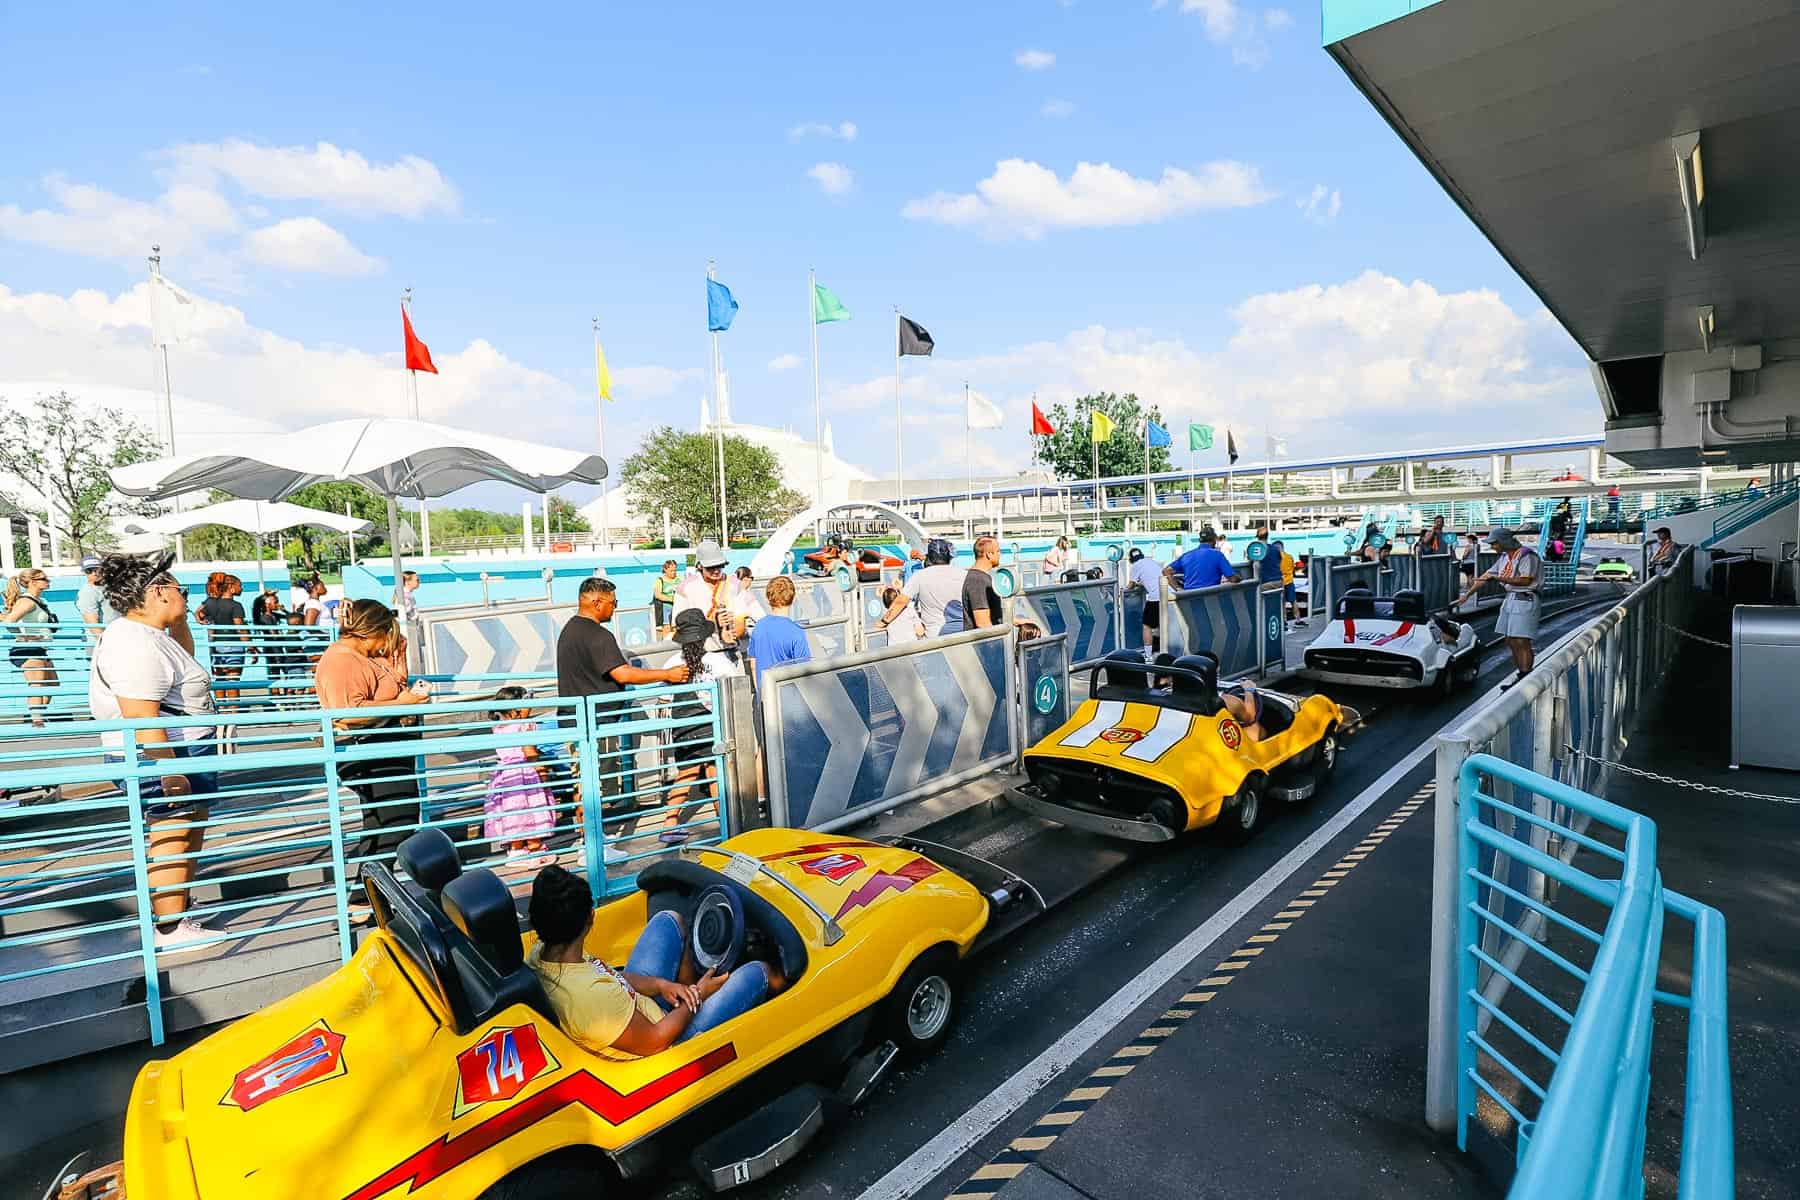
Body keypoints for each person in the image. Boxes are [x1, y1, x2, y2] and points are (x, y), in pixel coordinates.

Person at [87, 553, 216, 951]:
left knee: (187, 829)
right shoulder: (133, 642)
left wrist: (180, 620)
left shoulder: (152, 635)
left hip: (181, 751)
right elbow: (141, 715)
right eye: (182, 591)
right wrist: (169, 768)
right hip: (161, 757)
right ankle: (169, 927)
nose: (186, 598)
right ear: (159, 591)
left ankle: (177, 909)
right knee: (172, 832)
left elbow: (186, 660)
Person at [527, 864, 782, 1059]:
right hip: (668, 1046)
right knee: (760, 971)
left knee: (670, 919)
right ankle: (786, 991)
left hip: (635, 1010)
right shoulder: (590, 999)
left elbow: (608, 976)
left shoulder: (542, 953)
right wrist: (699, 995)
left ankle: (690, 993)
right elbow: (656, 1041)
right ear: (589, 921)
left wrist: (662, 985)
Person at [313, 600, 432, 913]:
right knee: (398, 822)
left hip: (381, 747)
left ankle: (365, 898)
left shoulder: (363, 656)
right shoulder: (342, 660)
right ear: (373, 630)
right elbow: (348, 713)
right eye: (386, 635)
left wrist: (399, 654)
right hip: (368, 751)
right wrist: (403, 705)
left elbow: (397, 687)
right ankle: (367, 896)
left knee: (381, 824)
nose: (387, 642)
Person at [556, 578, 689, 808]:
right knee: (594, 785)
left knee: (584, 783)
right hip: (595, 722)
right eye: (613, 602)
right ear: (597, 602)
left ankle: (588, 837)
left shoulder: (569, 630)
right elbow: (623, 674)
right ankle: (593, 840)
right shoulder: (599, 635)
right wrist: (667, 674)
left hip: (575, 719)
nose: (615, 607)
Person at [659, 608, 744, 841]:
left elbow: (664, 699)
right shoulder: (716, 661)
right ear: (705, 635)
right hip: (710, 725)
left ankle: (669, 823)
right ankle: (724, 824)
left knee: (685, 773)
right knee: (715, 773)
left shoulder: (673, 662)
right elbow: (734, 687)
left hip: (682, 727)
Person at [1456, 528, 1540, 686]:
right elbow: (1486, 577)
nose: (1493, 547)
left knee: (1521, 640)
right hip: (1511, 599)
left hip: (1525, 598)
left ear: (1503, 541)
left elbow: (1525, 580)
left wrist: (1499, 578)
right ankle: (1521, 673)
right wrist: (1467, 595)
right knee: (1510, 639)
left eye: (1494, 543)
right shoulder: (1504, 557)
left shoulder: (1526, 555)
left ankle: (1526, 676)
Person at [483, 685, 556, 866]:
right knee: (532, 810)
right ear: (515, 708)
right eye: (527, 703)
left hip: (506, 774)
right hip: (525, 772)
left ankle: (516, 851)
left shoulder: (499, 727)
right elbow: (529, 750)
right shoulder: (525, 725)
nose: (530, 707)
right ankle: (535, 848)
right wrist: (542, 771)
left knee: (514, 813)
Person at [3, 569, 59, 728]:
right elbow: (9, 622)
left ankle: (37, 714)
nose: (48, 580)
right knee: (37, 684)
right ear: (33, 582)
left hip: (39, 648)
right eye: (44, 578)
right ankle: (37, 720)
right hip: (27, 649)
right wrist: (23, 637)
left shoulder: (39, 600)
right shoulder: (27, 601)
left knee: (53, 684)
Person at [880, 538, 963, 638]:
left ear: (930, 557)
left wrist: (883, 621)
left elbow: (901, 601)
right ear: (949, 556)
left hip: (935, 636)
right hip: (962, 633)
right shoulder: (963, 574)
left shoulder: (920, 576)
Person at [744, 576, 810, 684]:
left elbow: (753, 664)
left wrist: (759, 692)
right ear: (793, 598)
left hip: (765, 692)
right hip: (787, 694)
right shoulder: (796, 632)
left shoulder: (759, 626)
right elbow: (804, 671)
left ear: (768, 599)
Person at [197, 572, 248, 702]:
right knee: (233, 680)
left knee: (219, 678)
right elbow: (240, 628)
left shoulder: (212, 603)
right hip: (234, 646)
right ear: (231, 587)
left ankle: (220, 712)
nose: (241, 588)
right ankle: (232, 713)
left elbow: (199, 613)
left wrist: (201, 619)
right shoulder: (236, 606)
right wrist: (251, 646)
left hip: (216, 646)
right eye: (239, 586)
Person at [675, 541, 732, 626]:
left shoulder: (733, 584)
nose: (716, 571)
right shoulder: (686, 588)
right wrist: (712, 622)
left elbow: (754, 612)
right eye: (711, 567)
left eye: (720, 566)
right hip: (702, 638)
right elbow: (679, 623)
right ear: (700, 566)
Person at [1165, 528, 1238, 592]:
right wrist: (1240, 578)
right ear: (1214, 540)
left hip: (1187, 598)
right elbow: (1232, 578)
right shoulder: (1218, 555)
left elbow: (1166, 571)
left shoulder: (1186, 556)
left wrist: (1178, 589)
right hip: (1211, 598)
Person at [960, 536, 1004, 630]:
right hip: (984, 643)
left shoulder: (981, 577)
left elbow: (995, 615)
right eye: (998, 551)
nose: (1000, 554)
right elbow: (983, 623)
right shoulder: (977, 581)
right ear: (989, 554)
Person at [1126, 547, 1163, 652]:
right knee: (1164, 624)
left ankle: (1148, 655)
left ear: (1131, 560)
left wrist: (1123, 590)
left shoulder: (1135, 566)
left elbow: (1130, 585)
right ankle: (1166, 651)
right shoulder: (1151, 562)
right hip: (1168, 595)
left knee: (1147, 626)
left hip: (1155, 597)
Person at [76, 555, 118, 631]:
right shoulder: (87, 592)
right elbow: (92, 623)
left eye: (97, 569)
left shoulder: (110, 585)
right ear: (84, 573)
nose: (94, 573)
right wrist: (102, 641)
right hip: (105, 637)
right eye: (89, 571)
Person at [652, 559, 679, 633]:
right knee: (667, 633)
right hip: (665, 610)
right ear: (665, 569)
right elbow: (658, 595)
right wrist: (672, 599)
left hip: (676, 609)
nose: (674, 573)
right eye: (671, 571)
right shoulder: (660, 580)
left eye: (675, 570)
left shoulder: (678, 580)